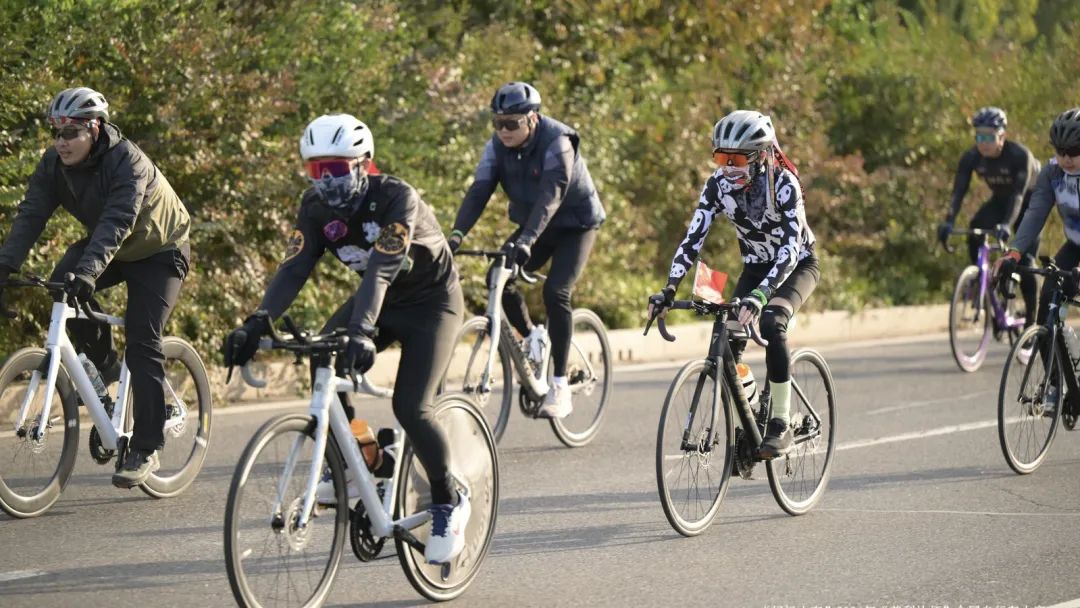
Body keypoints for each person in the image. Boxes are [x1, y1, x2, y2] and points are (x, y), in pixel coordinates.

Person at [222, 114, 468, 564]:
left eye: (334, 168)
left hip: (433, 304)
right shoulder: (314, 207)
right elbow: (294, 268)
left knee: (412, 407)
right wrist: (255, 324)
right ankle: (361, 458)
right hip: (381, 301)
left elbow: (381, 268)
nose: (325, 180)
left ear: (363, 163)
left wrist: (361, 330)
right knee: (323, 358)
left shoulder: (396, 197)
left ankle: (448, 501)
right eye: (315, 170)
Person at [0, 87, 191, 488]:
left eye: (70, 132)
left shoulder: (128, 162)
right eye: (56, 132)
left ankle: (146, 446)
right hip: (115, 248)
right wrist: (5, 266)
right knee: (61, 286)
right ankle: (105, 374)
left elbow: (118, 221)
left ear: (95, 128)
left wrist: (88, 271)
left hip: (160, 249)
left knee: (143, 338)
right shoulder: (54, 164)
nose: (61, 142)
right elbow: (31, 214)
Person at [647, 110, 818, 458]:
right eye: (721, 158)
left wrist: (761, 296)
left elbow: (790, 249)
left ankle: (780, 423)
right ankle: (750, 419)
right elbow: (692, 239)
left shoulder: (784, 184)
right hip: (755, 267)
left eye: (737, 160)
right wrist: (669, 288)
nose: (728, 167)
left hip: (795, 265)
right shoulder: (718, 185)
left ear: (760, 156)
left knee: (771, 323)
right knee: (728, 343)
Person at [447, 81, 606, 419]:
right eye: (497, 123)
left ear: (533, 119)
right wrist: (456, 236)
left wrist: (527, 240)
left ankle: (560, 385)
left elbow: (551, 195)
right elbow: (479, 190)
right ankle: (534, 337)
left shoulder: (558, 142)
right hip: (536, 227)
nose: (503, 130)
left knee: (556, 292)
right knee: (498, 277)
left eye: (511, 123)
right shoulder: (497, 146)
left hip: (576, 225)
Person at [939, 106, 1041, 326]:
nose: (983, 143)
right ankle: (982, 281)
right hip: (1000, 201)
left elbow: (1018, 195)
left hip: (1030, 203)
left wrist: (1006, 224)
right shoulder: (971, 157)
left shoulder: (1020, 155)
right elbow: (958, 192)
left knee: (1025, 259)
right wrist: (949, 221)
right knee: (975, 230)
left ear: (1002, 136)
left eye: (989, 137)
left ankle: (1033, 320)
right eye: (979, 136)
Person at [996, 108, 1080, 352]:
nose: (1067, 158)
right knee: (1048, 305)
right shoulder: (1052, 173)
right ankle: (1055, 374)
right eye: (1060, 151)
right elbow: (1035, 214)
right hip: (1075, 245)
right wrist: (1014, 253)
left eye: (1074, 151)